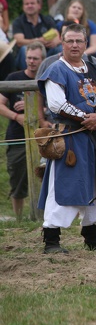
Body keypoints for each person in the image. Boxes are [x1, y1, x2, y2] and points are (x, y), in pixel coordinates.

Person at [37, 23, 96, 253]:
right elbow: (56, 103)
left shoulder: (93, 68)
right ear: (62, 42)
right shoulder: (56, 70)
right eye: (70, 41)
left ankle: (92, 236)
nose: (74, 45)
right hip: (70, 138)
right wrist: (87, 118)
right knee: (62, 185)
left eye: (79, 41)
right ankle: (51, 239)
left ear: (85, 43)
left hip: (94, 137)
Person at [0, 42, 45, 218]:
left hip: (44, 137)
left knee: (47, 180)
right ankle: (18, 219)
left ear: (42, 59)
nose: (32, 62)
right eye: (29, 58)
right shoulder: (14, 78)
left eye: (36, 58)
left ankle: (45, 217)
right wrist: (16, 116)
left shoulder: (48, 78)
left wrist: (35, 108)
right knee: (17, 180)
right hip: (17, 136)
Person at [12, 0, 59, 69]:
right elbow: (19, 41)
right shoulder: (18, 22)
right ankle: (27, 77)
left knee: (59, 49)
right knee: (24, 49)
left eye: (32, 3)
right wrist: (38, 41)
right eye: (27, 4)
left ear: (39, 6)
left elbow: (57, 35)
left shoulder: (47, 20)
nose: (29, 6)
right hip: (26, 57)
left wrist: (54, 42)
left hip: (46, 54)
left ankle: (57, 75)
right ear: (23, 7)